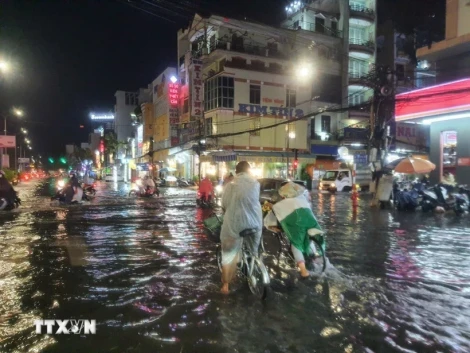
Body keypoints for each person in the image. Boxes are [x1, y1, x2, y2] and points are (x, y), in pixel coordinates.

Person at [220, 161, 262, 294]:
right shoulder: (255, 183)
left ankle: (225, 286)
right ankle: (253, 261)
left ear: (236, 171)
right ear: (249, 171)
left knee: (228, 252)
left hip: (235, 223)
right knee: (253, 247)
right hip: (254, 223)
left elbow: (224, 204)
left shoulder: (230, 185)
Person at [264, 181, 322, 278]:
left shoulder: (285, 203)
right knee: (308, 238)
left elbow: (276, 212)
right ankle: (315, 257)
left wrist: (271, 208)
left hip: (298, 227)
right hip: (312, 224)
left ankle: (304, 271)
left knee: (296, 244)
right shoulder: (302, 200)